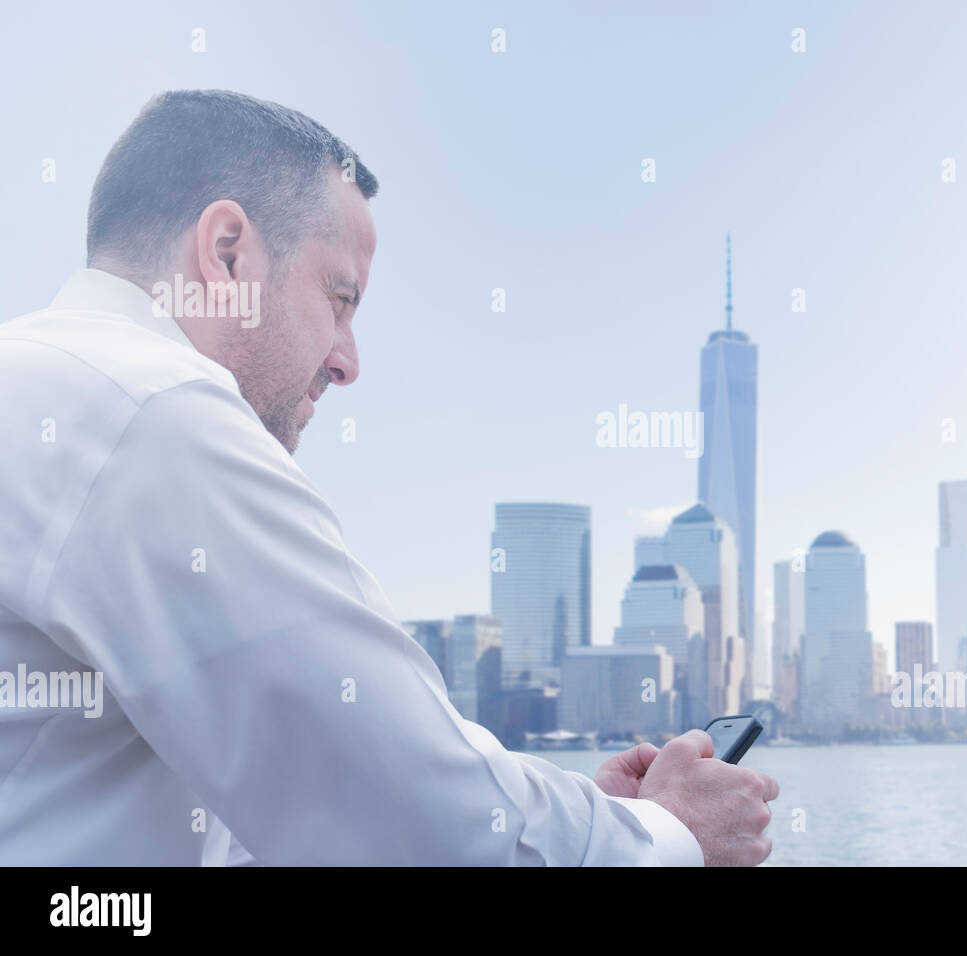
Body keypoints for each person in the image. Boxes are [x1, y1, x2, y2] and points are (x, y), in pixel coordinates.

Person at [0, 90, 778, 866]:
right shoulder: (154, 413)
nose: (347, 360)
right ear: (228, 251)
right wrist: (673, 836)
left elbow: (303, 810)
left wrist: (592, 816)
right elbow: (421, 827)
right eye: (339, 299)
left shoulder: (53, 392)